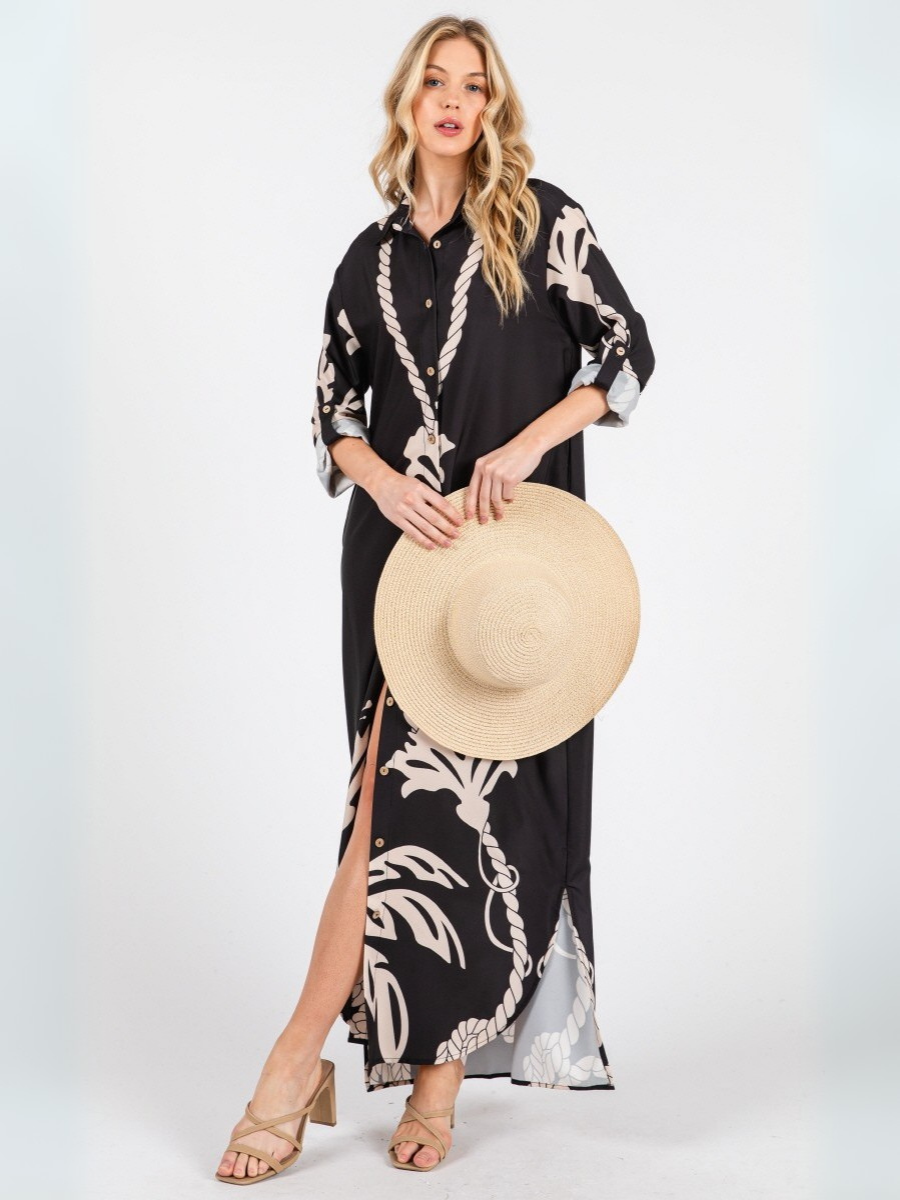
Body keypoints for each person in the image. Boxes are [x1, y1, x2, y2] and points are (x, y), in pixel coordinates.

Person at [216, 13, 655, 1183]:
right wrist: (380, 482)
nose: (454, 101)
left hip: (511, 576)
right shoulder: (363, 262)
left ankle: (406, 1077)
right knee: (386, 816)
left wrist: (528, 444)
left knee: (485, 819)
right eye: (435, 83)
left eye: (474, 85)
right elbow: (334, 412)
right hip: (399, 567)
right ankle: (317, 1060)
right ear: (406, 104)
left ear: (492, 107)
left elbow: (625, 352)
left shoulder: (541, 222)